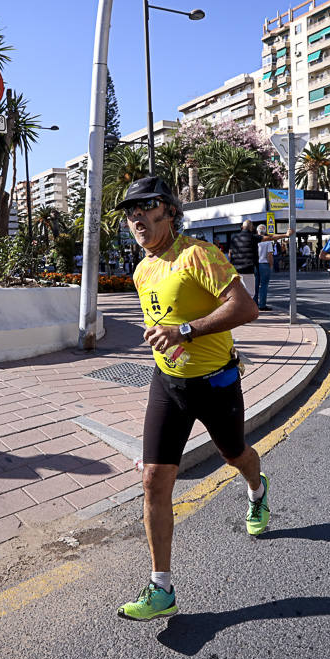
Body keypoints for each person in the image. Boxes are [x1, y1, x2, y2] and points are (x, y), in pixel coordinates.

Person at [112, 177, 266, 621]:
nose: (136, 216)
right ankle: (162, 588)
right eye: (130, 210)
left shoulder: (197, 254)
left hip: (216, 383)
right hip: (169, 384)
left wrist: (184, 331)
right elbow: (164, 320)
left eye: (146, 206)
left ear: (169, 211)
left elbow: (246, 308)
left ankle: (257, 489)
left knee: (234, 454)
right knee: (155, 479)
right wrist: (167, 338)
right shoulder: (143, 270)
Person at [254, 223, 294, 310]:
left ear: (257, 231)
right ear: (265, 232)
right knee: (264, 285)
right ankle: (262, 305)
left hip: (255, 264)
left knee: (255, 286)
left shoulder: (254, 240)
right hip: (264, 264)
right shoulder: (267, 242)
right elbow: (270, 255)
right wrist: (271, 265)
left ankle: (254, 304)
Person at [227, 220, 259, 297]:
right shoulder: (253, 237)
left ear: (242, 227)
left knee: (239, 292)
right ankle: (247, 308)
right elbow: (269, 238)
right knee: (250, 293)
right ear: (251, 228)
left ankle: (239, 308)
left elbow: (230, 254)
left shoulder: (234, 238)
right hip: (248, 268)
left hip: (236, 269)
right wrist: (285, 235)